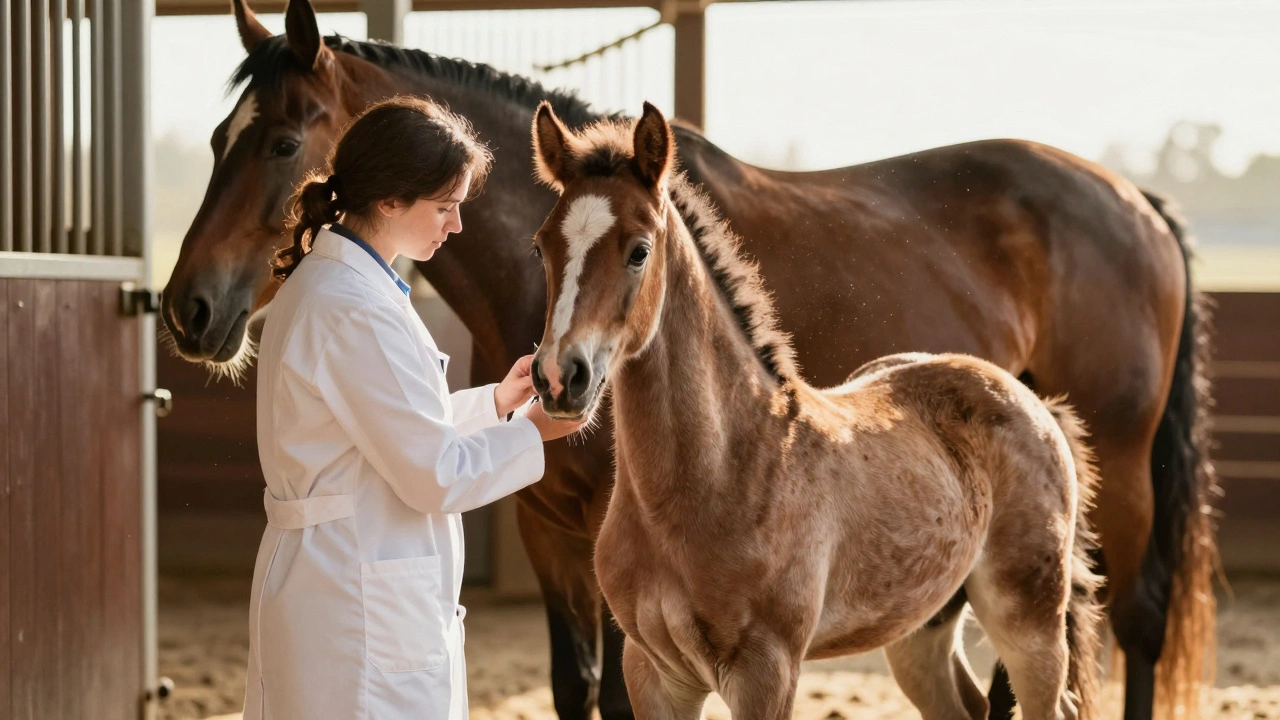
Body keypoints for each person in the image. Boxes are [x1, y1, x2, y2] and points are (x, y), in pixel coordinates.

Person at [242, 96, 583, 720]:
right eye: (445, 207)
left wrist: (496, 403)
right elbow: (434, 475)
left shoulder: (339, 288)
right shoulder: (355, 308)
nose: (456, 227)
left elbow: (380, 432)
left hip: (341, 589)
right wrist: (534, 433)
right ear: (390, 199)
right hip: (354, 606)